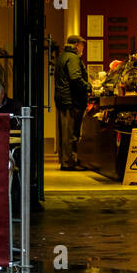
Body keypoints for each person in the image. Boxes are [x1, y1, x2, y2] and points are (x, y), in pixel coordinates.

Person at [54, 33, 91, 170]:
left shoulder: (63, 56)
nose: (83, 49)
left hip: (63, 99)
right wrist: (88, 86)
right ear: (76, 45)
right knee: (70, 133)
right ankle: (69, 163)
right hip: (71, 101)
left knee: (64, 133)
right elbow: (75, 78)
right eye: (82, 46)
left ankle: (65, 160)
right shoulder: (73, 58)